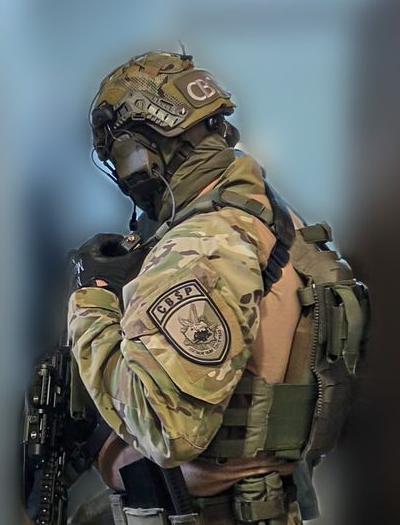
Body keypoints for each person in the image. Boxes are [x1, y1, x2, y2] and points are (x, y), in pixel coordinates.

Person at [68, 51, 369, 524]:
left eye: (118, 156)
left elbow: (167, 429)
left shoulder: (203, 245)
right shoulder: (271, 215)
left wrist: (92, 300)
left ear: (140, 151)